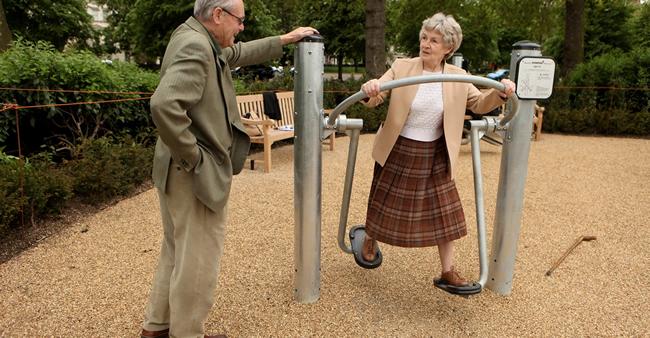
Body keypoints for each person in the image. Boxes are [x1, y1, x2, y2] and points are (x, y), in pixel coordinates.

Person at [140, 0, 318, 337]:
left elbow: (238, 53)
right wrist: (194, 158)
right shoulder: (196, 46)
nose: (242, 27)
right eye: (240, 20)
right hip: (191, 173)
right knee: (198, 262)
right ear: (218, 14)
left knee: (177, 251)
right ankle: (187, 333)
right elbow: (164, 105)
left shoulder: (195, 35)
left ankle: (157, 327)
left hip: (173, 170)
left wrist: (285, 39)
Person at [358, 13, 515, 291]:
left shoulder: (457, 76)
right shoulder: (402, 66)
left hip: (436, 153)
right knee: (383, 202)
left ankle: (448, 270)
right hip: (398, 147)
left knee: (447, 213)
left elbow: (479, 103)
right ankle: (370, 238)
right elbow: (376, 97)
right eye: (424, 38)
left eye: (434, 40)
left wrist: (501, 94)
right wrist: (370, 89)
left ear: (448, 49)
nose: (426, 44)